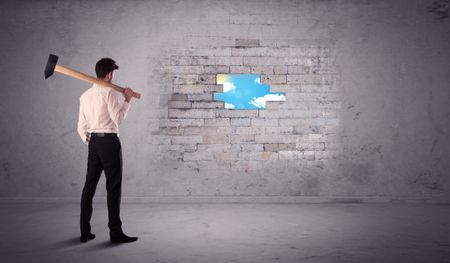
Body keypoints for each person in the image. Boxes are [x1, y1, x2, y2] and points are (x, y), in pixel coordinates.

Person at [77, 57, 138, 243]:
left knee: (89, 186)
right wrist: (127, 100)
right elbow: (118, 119)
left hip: (94, 142)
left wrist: (92, 142)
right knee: (113, 187)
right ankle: (115, 233)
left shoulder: (85, 96)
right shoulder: (110, 93)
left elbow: (81, 126)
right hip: (109, 143)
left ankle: (85, 232)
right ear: (110, 74)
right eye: (113, 72)